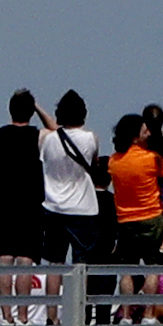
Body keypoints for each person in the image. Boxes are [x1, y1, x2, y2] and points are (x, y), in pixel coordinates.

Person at [0, 91, 46, 325]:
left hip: (2, 203)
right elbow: (56, 130)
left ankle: (6, 314)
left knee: (5, 259)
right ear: (30, 111)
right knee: (25, 262)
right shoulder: (37, 135)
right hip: (30, 203)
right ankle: (23, 315)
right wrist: (39, 107)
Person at [106, 114, 163, 320]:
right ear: (135, 137)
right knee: (152, 268)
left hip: (125, 220)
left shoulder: (114, 161)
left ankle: (125, 315)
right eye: (144, 130)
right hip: (151, 217)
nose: (148, 133)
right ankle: (149, 314)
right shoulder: (152, 158)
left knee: (126, 271)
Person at [36, 91, 103, 264]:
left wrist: (36, 106)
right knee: (81, 260)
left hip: (53, 206)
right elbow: (95, 163)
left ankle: (53, 292)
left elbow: (53, 130)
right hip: (83, 208)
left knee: (54, 261)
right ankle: (79, 291)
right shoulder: (91, 139)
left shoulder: (46, 139)